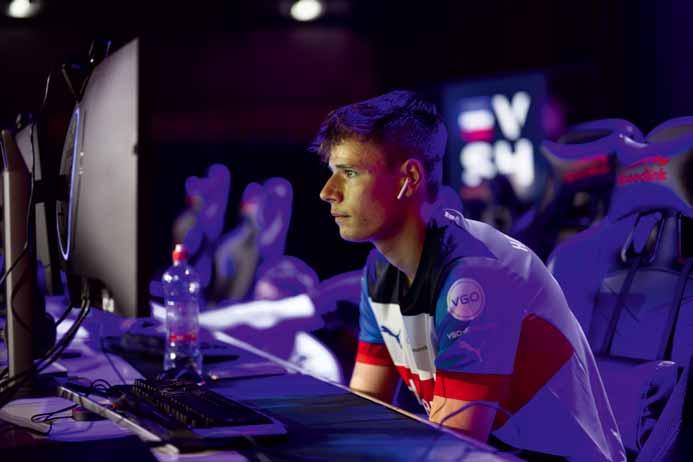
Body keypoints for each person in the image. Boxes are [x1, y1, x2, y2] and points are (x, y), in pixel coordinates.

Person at [312, 90, 626, 461]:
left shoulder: (476, 274)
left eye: (349, 173)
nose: (327, 192)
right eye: (332, 173)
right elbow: (365, 413)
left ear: (408, 178)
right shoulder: (380, 270)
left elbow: (451, 450)